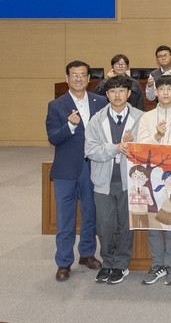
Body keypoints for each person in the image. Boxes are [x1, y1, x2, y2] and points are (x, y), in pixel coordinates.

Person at [46, 60, 108, 281]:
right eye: (74, 75)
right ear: (67, 79)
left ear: (89, 78)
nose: (78, 78)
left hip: (93, 167)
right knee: (65, 219)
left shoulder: (101, 102)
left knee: (90, 214)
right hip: (66, 170)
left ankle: (87, 253)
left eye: (82, 75)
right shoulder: (56, 105)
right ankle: (63, 262)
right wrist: (70, 126)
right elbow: (53, 137)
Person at [84, 75, 143, 285]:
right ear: (107, 94)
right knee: (105, 225)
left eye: (121, 90)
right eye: (112, 91)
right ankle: (107, 262)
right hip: (103, 182)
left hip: (130, 181)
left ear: (129, 93)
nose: (117, 95)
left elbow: (148, 149)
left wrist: (133, 144)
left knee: (126, 225)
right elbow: (90, 150)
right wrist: (115, 148)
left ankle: (121, 265)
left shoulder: (141, 118)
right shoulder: (96, 119)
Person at [136, 74, 171, 285]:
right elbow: (140, 146)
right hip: (150, 177)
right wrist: (157, 137)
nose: (166, 92)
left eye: (170, 89)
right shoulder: (147, 117)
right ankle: (157, 264)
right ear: (156, 92)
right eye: (162, 89)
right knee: (153, 221)